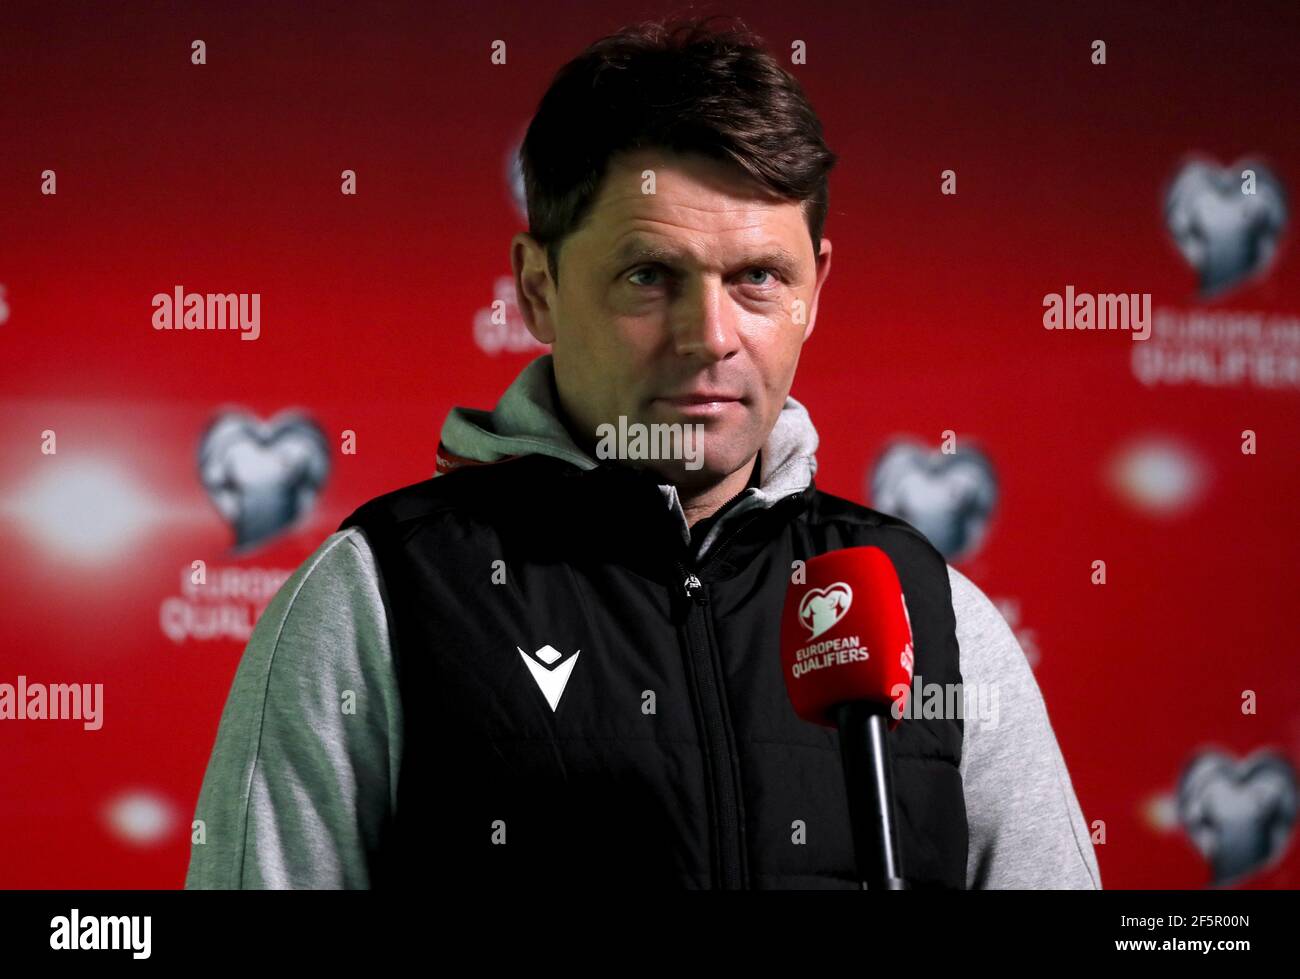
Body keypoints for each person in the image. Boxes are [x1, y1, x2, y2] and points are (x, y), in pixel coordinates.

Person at [185, 15, 1101, 890]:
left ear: (815, 289)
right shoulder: (374, 600)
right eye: (649, 275)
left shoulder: (932, 610)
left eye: (757, 278)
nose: (710, 336)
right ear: (537, 289)